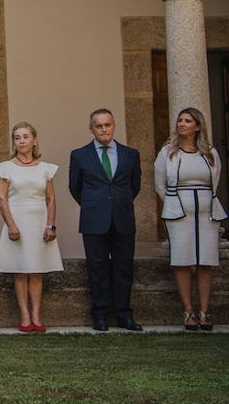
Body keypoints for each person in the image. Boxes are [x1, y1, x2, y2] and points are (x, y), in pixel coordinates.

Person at [68, 108, 142, 331]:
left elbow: (134, 186)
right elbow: (75, 187)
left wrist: (117, 202)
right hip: (94, 218)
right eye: (98, 126)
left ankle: (123, 314)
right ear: (91, 129)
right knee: (97, 267)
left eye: (107, 125)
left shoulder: (130, 154)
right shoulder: (79, 155)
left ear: (113, 126)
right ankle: (99, 314)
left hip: (123, 217)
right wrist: (95, 204)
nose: (103, 129)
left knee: (123, 267)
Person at [154, 107, 225, 331]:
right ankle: (188, 312)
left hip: (206, 212)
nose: (182, 124)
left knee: (205, 261)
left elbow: (215, 182)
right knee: (182, 261)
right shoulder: (168, 153)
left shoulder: (210, 153)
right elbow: (160, 185)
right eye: (180, 120)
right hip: (179, 213)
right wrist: (175, 204)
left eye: (188, 121)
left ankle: (205, 312)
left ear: (198, 126)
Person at [0, 122, 63, 332]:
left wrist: (51, 225)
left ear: (34, 140)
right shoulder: (5, 167)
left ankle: (36, 315)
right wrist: (11, 224)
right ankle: (24, 316)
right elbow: (1, 198)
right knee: (20, 270)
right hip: (17, 220)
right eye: (17, 137)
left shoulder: (45, 169)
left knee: (37, 270)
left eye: (25, 137)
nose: (21, 141)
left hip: (39, 221)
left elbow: (51, 199)